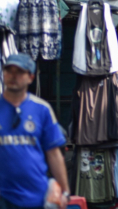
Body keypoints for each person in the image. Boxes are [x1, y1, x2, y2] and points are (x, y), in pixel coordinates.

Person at [0, 54, 70, 209]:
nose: (13, 76)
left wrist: (65, 192)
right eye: (8, 70)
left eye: (19, 72)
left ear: (30, 77)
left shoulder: (42, 109)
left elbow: (54, 154)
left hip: (35, 196)